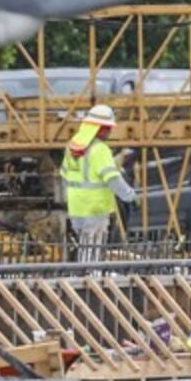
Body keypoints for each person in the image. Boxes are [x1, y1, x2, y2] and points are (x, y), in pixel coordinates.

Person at [60, 104, 136, 263]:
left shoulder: (73, 147)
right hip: (95, 207)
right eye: (107, 128)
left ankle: (84, 276)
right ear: (99, 128)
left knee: (85, 245)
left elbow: (64, 175)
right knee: (93, 248)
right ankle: (90, 280)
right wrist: (130, 196)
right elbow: (112, 178)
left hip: (76, 206)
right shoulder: (99, 149)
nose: (109, 132)